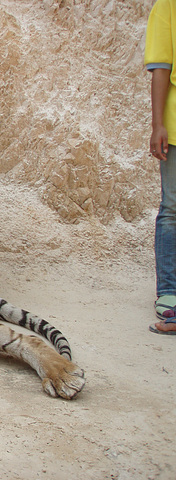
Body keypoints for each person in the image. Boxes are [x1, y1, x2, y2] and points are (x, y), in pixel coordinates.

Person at [145, 0, 176, 335]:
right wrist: (158, 124)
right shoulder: (168, 6)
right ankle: (169, 290)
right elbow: (161, 67)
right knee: (172, 207)